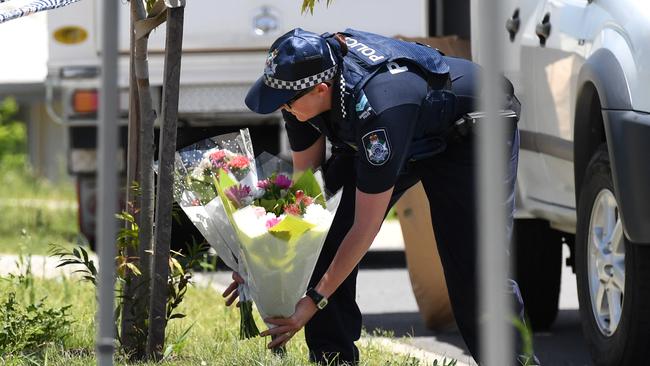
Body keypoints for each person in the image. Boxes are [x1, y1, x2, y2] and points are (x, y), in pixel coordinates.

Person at [223, 28, 540, 366]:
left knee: (475, 269)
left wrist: (313, 300)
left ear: (320, 90)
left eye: (286, 102)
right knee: (324, 235)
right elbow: (308, 201)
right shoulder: (298, 93)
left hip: (471, 129)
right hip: (404, 131)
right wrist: (262, 261)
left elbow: (365, 227)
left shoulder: (378, 108)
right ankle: (333, 360)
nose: (282, 108)